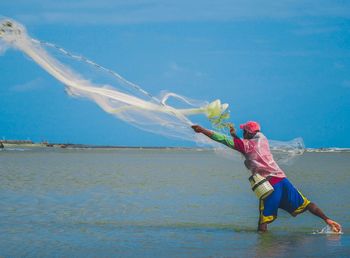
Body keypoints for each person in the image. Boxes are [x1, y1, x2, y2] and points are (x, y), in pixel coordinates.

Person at [192, 121, 342, 233]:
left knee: (263, 219)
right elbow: (243, 140)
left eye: (244, 131)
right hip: (283, 180)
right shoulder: (262, 139)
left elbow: (222, 139)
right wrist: (234, 135)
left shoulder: (246, 145)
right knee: (306, 203)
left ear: (249, 134)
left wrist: (202, 130)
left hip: (270, 185)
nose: (243, 133)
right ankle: (328, 220)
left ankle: (263, 247)